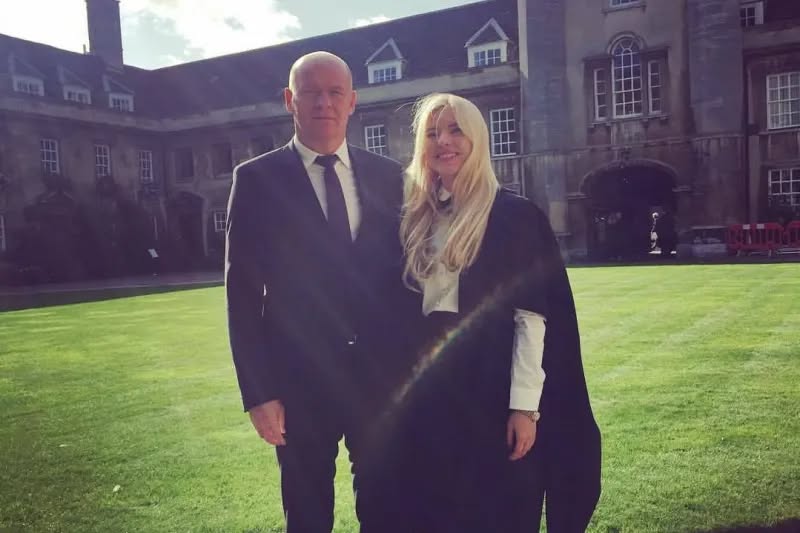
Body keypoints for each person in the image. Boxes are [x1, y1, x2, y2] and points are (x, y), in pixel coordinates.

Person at [362, 93, 602, 532]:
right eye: (432, 133)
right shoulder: (411, 219)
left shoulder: (513, 216)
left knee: (494, 510)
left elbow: (532, 320)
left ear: (477, 139)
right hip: (427, 397)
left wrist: (524, 409)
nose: (443, 141)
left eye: (456, 130)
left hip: (490, 392)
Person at [225, 51, 406, 533]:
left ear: (352, 101)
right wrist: (258, 393)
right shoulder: (256, 180)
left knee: (387, 508)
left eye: (334, 92)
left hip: (379, 378)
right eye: (311, 93)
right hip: (298, 381)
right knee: (307, 515)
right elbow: (242, 295)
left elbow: (405, 278)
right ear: (291, 100)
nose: (324, 103)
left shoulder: (389, 176)